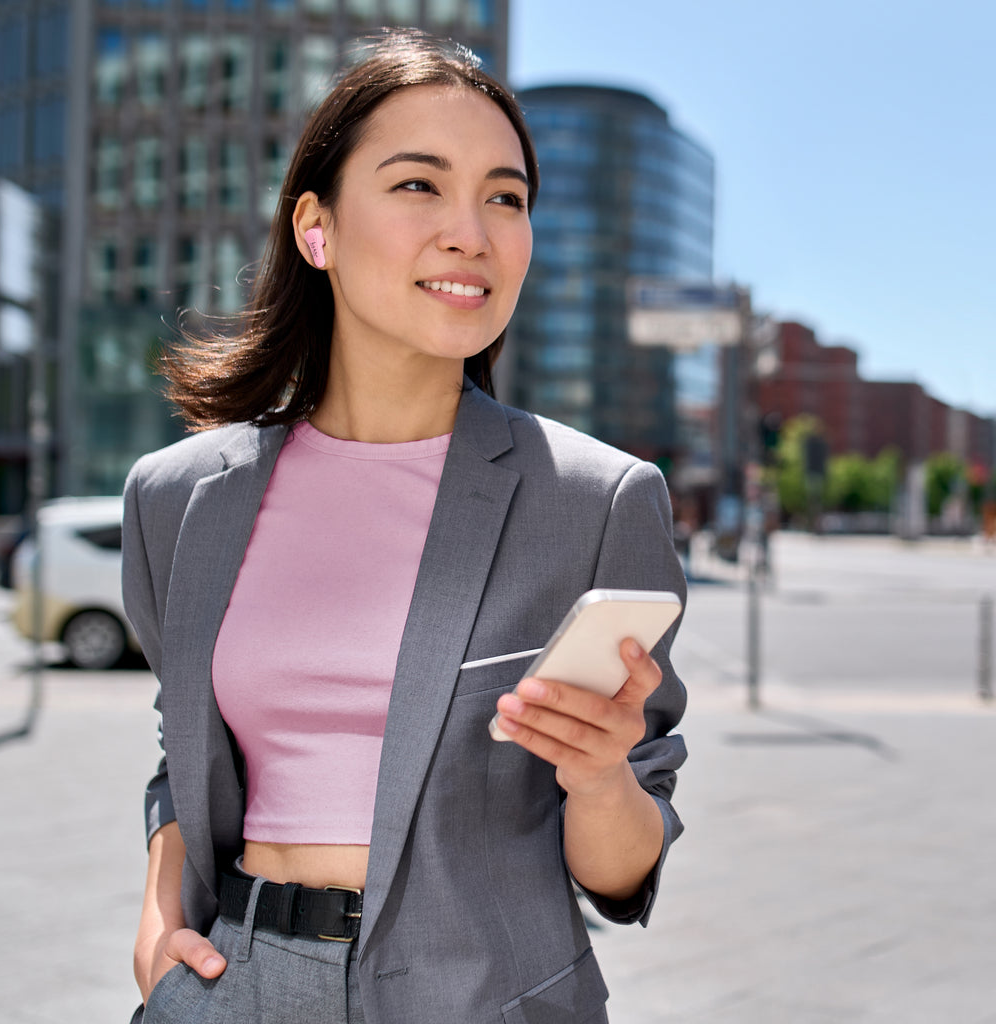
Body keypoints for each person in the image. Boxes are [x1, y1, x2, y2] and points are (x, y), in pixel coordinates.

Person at [122, 29, 686, 1024]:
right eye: (418, 184)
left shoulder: (597, 499)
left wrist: (599, 777)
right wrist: (159, 918)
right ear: (316, 229)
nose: (470, 229)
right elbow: (183, 746)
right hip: (229, 988)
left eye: (504, 196)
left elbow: (623, 870)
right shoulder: (178, 497)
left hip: (486, 995)